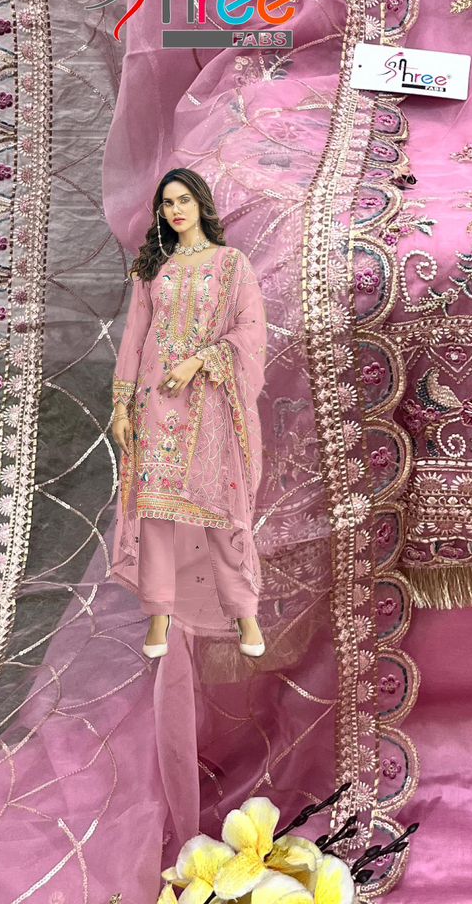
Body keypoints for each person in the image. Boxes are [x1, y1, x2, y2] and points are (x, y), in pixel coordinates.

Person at [110, 166, 268, 658]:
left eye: (184, 200)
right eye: (167, 203)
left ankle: (243, 611)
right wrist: (121, 407)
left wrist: (199, 361)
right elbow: (134, 340)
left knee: (220, 509)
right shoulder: (152, 268)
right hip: (154, 404)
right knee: (155, 513)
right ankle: (159, 615)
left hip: (211, 404)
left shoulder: (231, 264)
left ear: (201, 203)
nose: (175, 210)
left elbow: (250, 329)